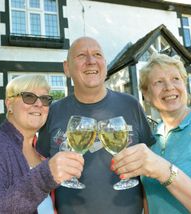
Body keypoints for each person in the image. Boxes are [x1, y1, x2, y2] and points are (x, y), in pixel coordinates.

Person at [111, 53, 191, 213]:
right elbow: (149, 198)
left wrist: (164, 171)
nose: (169, 87)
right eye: (159, 82)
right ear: (146, 94)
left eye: (175, 79)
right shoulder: (154, 138)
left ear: (184, 84)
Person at [36, 37, 154, 214]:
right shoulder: (53, 112)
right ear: (67, 68)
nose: (91, 61)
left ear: (105, 64)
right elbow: (39, 165)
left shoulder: (131, 105)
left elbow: (148, 172)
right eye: (81, 55)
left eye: (97, 54)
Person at [0, 74, 84, 213]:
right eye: (29, 97)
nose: (39, 104)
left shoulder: (40, 150)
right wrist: (45, 176)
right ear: (9, 104)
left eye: (45, 99)